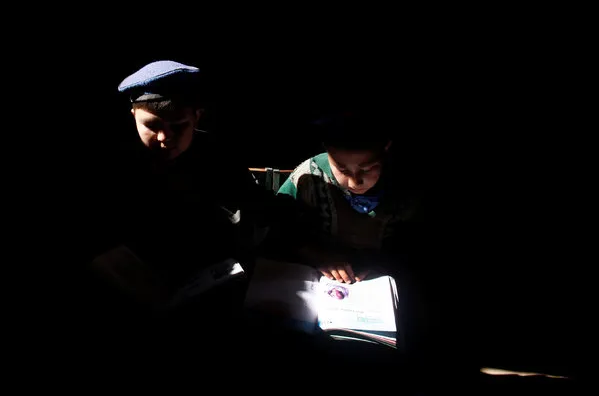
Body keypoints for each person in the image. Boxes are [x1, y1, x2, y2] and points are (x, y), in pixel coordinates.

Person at [92, 60, 271, 309]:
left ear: (197, 117)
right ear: (133, 113)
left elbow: (256, 201)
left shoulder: (214, 155)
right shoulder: (110, 164)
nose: (165, 138)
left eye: (178, 126)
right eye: (152, 126)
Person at [277, 110, 423, 284]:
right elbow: (279, 230)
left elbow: (415, 245)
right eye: (342, 170)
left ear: (386, 149)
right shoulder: (309, 177)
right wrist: (317, 255)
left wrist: (379, 264)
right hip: (318, 277)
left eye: (368, 169)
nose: (354, 182)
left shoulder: (405, 187)